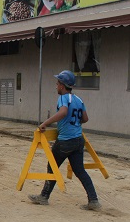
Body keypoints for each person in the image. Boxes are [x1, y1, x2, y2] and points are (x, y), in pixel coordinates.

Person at [28, 70, 101, 210]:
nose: (56, 86)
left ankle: (44, 196)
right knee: (80, 171)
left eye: (57, 83)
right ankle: (94, 201)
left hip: (65, 140)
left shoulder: (63, 98)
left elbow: (63, 112)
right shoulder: (79, 100)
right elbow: (85, 119)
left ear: (62, 85)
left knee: (52, 167)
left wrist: (45, 123)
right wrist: (73, 124)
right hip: (78, 140)